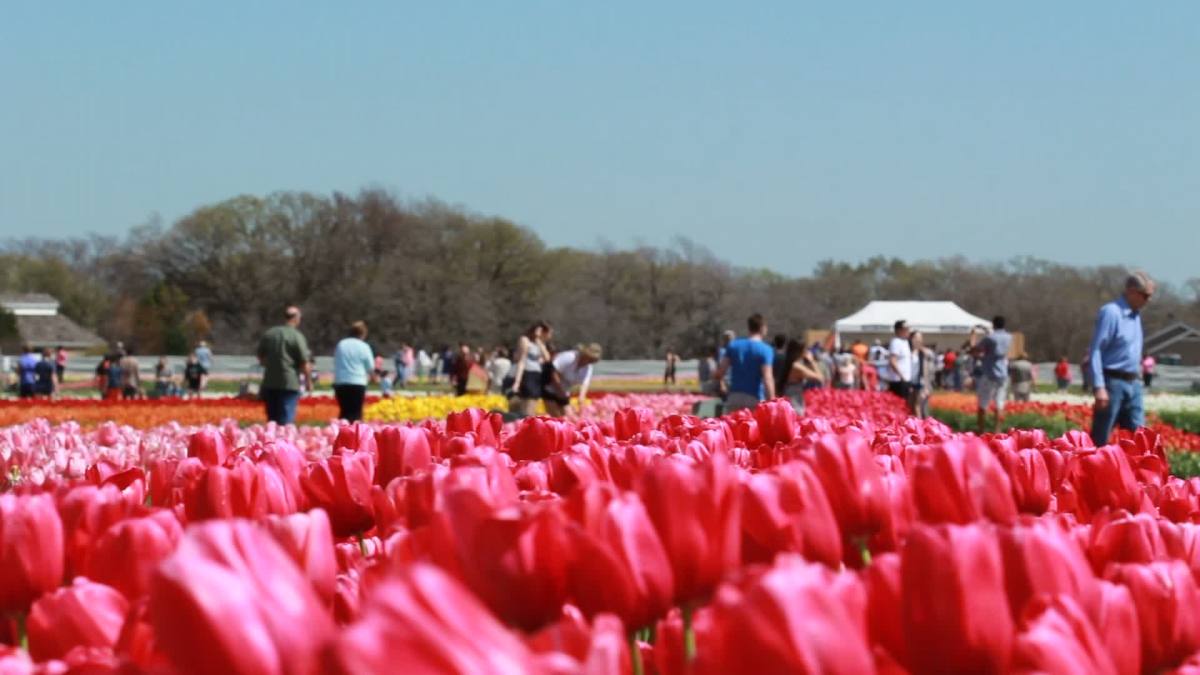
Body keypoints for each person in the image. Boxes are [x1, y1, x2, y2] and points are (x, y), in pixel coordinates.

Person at [1089, 271, 1155, 446]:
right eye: (1146, 296)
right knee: (1101, 438)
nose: (1148, 301)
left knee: (1139, 437)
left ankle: (1138, 473)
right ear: (1132, 291)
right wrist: (1099, 386)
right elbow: (1096, 350)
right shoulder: (1111, 312)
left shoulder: (1136, 316)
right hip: (1112, 382)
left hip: (1134, 383)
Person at [257, 306, 313, 425]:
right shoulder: (297, 336)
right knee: (286, 421)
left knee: (272, 421)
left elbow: (261, 359)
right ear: (296, 318)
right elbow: (304, 362)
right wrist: (309, 382)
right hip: (289, 382)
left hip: (270, 382)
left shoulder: (270, 333)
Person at [712, 313, 775, 413]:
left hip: (734, 396)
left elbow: (720, 372)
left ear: (749, 327)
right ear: (762, 328)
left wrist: (715, 375)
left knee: (733, 427)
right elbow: (767, 378)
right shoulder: (766, 350)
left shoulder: (733, 346)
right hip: (754, 397)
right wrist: (772, 401)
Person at [972, 316, 1013, 432]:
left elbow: (975, 349)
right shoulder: (1009, 337)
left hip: (989, 372)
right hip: (1003, 373)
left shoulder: (990, 338)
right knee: (999, 403)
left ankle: (981, 430)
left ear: (993, 324)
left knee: (983, 402)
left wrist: (973, 337)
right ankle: (997, 430)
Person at [332, 320, 375, 422]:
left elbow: (336, 361)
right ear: (363, 333)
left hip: (341, 382)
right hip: (357, 382)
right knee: (356, 413)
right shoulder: (364, 346)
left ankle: (341, 432)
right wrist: (373, 377)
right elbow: (370, 366)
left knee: (344, 412)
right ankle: (354, 435)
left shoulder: (341, 344)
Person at [544, 343, 602, 417]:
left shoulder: (588, 367)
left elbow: (585, 383)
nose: (588, 362)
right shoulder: (570, 357)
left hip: (564, 392)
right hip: (550, 387)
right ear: (584, 354)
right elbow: (553, 371)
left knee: (568, 416)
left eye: (591, 361)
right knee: (556, 416)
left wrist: (581, 398)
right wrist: (559, 390)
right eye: (588, 359)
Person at [509, 321, 551, 415]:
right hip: (527, 373)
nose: (539, 333)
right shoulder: (525, 340)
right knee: (528, 399)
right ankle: (525, 420)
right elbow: (522, 360)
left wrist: (539, 342)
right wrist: (517, 381)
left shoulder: (539, 343)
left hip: (537, 375)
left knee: (534, 399)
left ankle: (529, 419)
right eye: (538, 330)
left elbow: (547, 358)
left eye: (542, 331)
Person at [776, 338, 822, 414]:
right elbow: (820, 378)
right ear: (801, 351)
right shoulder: (796, 367)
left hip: (790, 400)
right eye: (806, 349)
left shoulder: (788, 363)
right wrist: (811, 361)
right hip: (795, 404)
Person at [879, 321, 913, 405]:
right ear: (899, 330)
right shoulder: (896, 342)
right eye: (906, 329)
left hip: (904, 380)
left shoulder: (905, 342)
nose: (908, 331)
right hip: (898, 381)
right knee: (899, 406)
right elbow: (893, 361)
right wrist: (902, 377)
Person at [907, 331, 936, 418]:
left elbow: (931, 371)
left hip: (923, 385)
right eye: (915, 338)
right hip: (910, 384)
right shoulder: (908, 352)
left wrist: (928, 387)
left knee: (920, 407)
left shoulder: (926, 353)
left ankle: (920, 427)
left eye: (920, 338)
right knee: (910, 407)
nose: (918, 340)